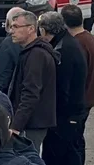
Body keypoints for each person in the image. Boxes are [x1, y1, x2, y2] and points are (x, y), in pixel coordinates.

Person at [37, 10, 88, 165]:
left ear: (43, 30)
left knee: (55, 156)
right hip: (73, 111)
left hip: (66, 114)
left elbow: (63, 88)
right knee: (70, 152)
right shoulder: (66, 43)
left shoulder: (63, 51)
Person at [62, 4, 94, 165]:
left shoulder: (76, 44)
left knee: (72, 146)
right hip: (88, 99)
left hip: (80, 103)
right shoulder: (90, 39)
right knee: (78, 144)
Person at [5, 10, 57, 149]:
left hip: (33, 123)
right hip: (32, 122)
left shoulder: (36, 55)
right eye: (11, 27)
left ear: (31, 29)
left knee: (27, 161)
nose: (11, 31)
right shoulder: (32, 52)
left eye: (16, 27)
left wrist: (16, 126)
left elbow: (30, 93)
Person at [0, 7, 26, 95]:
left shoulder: (7, 46)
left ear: (7, 24)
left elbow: (1, 78)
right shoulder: (31, 42)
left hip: (10, 99)